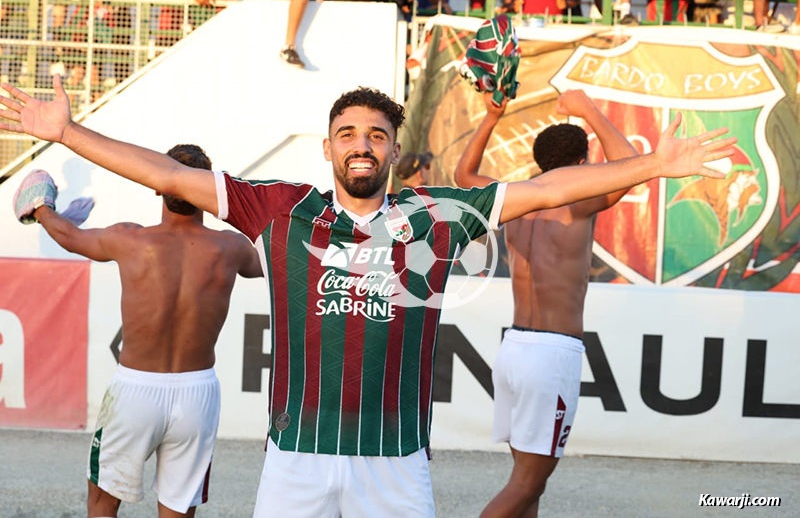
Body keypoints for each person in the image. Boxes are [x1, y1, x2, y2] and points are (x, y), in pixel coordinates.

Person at [0, 75, 735, 517]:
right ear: (328, 148)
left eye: (377, 134)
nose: (362, 143)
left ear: (391, 148)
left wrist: (652, 165)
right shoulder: (280, 209)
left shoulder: (434, 214)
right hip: (296, 456)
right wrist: (69, 132)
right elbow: (169, 173)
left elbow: (550, 187)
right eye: (347, 132)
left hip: (395, 459)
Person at [12, 144, 262, 518]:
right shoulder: (232, 247)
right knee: (178, 509)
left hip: (136, 392)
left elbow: (65, 235)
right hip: (198, 394)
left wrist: (42, 209)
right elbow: (285, 259)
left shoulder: (131, 240)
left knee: (101, 502)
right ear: (205, 188)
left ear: (156, 185)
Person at [454, 89, 641, 517]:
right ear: (582, 163)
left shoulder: (516, 201)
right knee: (526, 485)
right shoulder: (575, 202)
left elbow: (464, 173)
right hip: (552, 354)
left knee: (528, 486)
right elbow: (629, 169)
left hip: (514, 349)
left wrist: (491, 117)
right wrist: (589, 110)